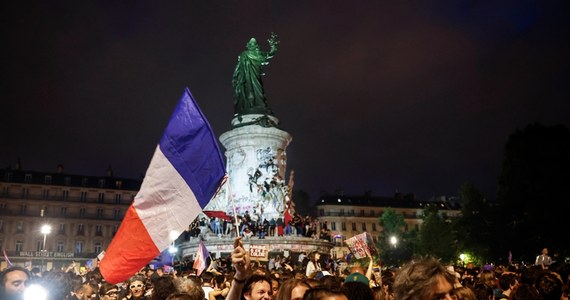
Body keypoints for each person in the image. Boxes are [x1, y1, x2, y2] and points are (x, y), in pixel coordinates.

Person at [232, 32, 279, 116]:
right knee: (248, 90)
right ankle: (249, 105)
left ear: (256, 45)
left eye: (253, 43)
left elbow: (269, 54)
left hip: (255, 74)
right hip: (245, 77)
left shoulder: (258, 53)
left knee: (258, 89)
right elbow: (238, 68)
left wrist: (273, 46)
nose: (252, 45)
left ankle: (258, 105)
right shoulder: (244, 54)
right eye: (250, 44)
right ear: (248, 45)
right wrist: (237, 78)